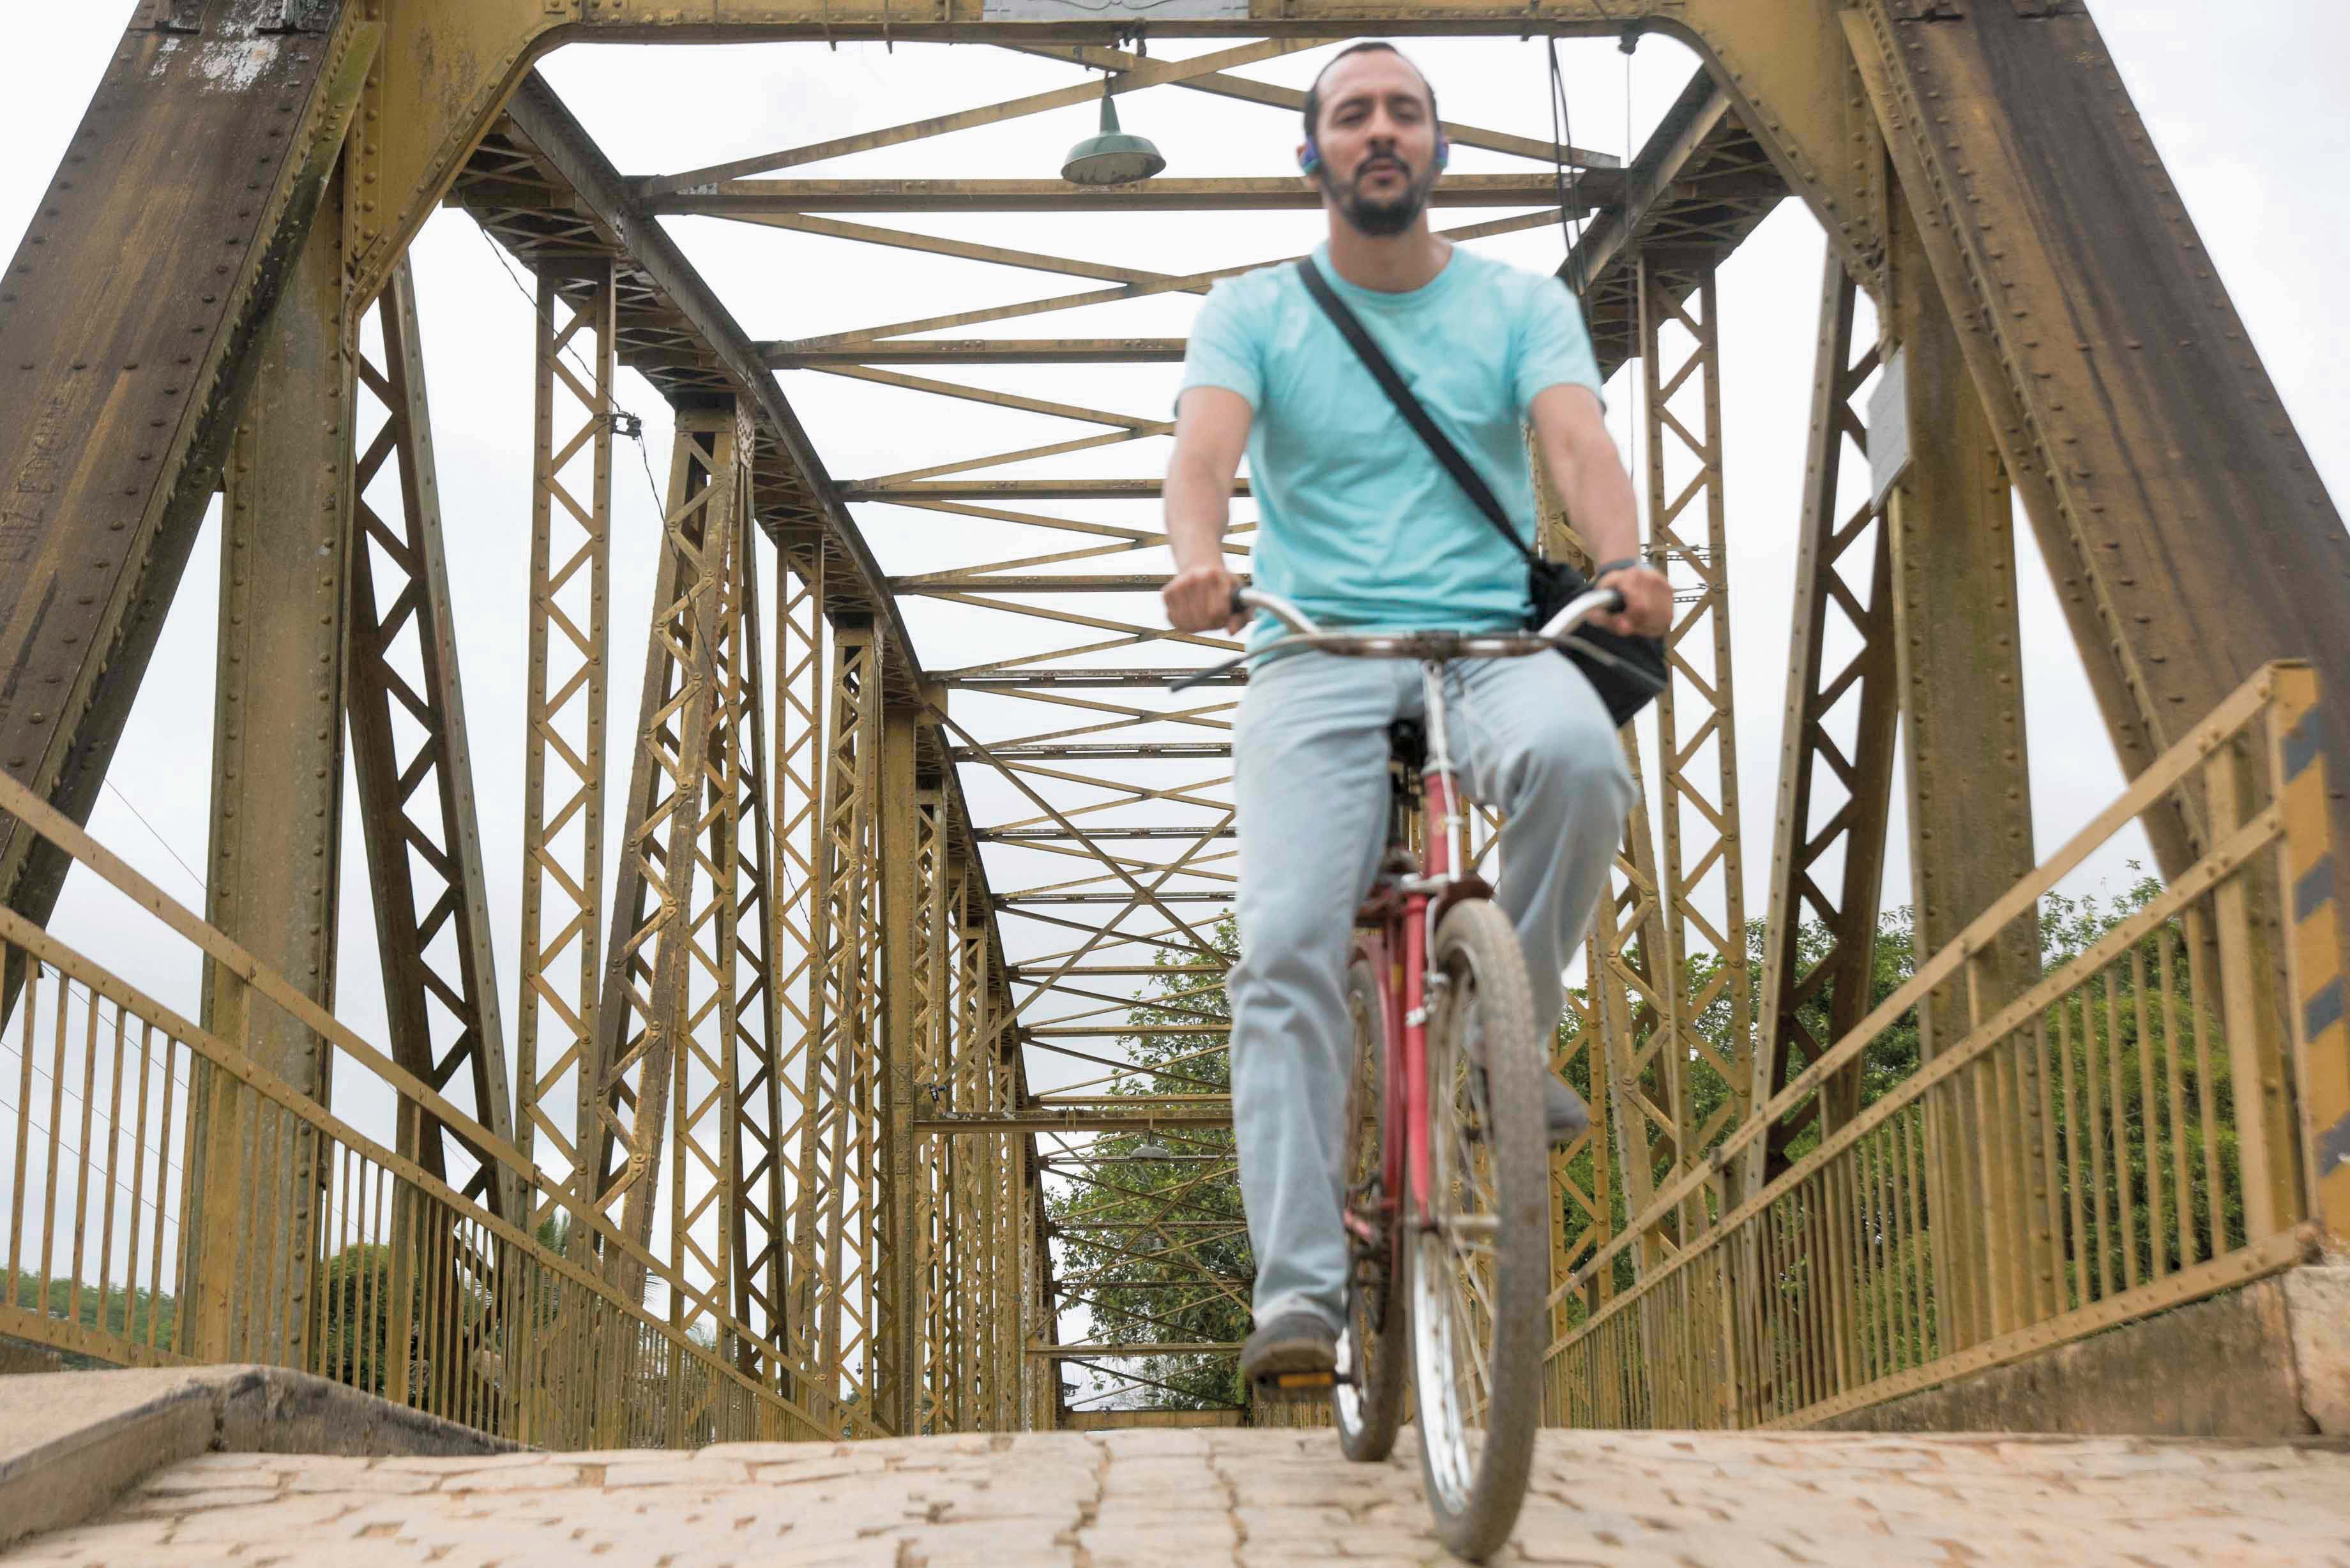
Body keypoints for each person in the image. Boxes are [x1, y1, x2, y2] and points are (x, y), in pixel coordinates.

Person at [1158, 40, 1674, 1390]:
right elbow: (1203, 451)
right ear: (1313, 155)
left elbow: (1576, 441)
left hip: (1492, 640)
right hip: (1315, 651)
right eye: (1350, 116)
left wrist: (1624, 562)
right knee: (1281, 946)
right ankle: (1300, 1299)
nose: (1378, 132)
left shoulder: (1517, 303)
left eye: (1402, 113)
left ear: (1436, 149)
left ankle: (1497, 1026)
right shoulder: (1255, 309)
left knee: (1578, 762)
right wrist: (1198, 557)